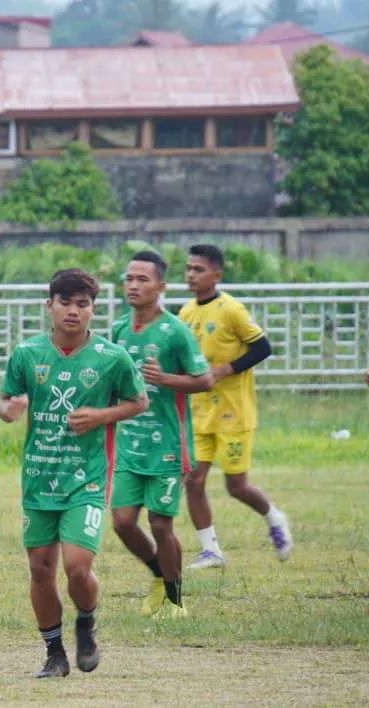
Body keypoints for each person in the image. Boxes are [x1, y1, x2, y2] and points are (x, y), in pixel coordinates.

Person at [0, 268, 147, 678]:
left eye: (82, 304)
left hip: (87, 479)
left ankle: (86, 620)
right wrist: (8, 409)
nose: (73, 312)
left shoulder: (111, 358)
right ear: (49, 306)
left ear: (93, 310)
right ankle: (54, 654)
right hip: (38, 478)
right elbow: (7, 400)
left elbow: (139, 401)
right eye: (65, 303)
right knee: (40, 569)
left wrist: (101, 415)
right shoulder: (27, 354)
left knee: (77, 568)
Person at [110, 252, 213, 618]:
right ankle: (158, 574)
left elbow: (205, 380)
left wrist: (165, 379)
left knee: (159, 522)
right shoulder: (120, 329)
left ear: (161, 287)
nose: (134, 285)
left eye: (143, 279)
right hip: (129, 445)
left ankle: (174, 599)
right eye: (129, 279)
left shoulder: (175, 332)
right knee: (122, 522)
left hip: (168, 445)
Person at [179, 244, 293, 569]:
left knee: (236, 486)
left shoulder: (232, 310)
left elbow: (264, 348)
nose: (191, 274)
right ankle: (211, 550)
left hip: (233, 413)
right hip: (199, 412)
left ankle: (274, 518)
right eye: (188, 268)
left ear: (217, 274)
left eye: (198, 269)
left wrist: (225, 369)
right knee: (194, 480)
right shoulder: (185, 312)